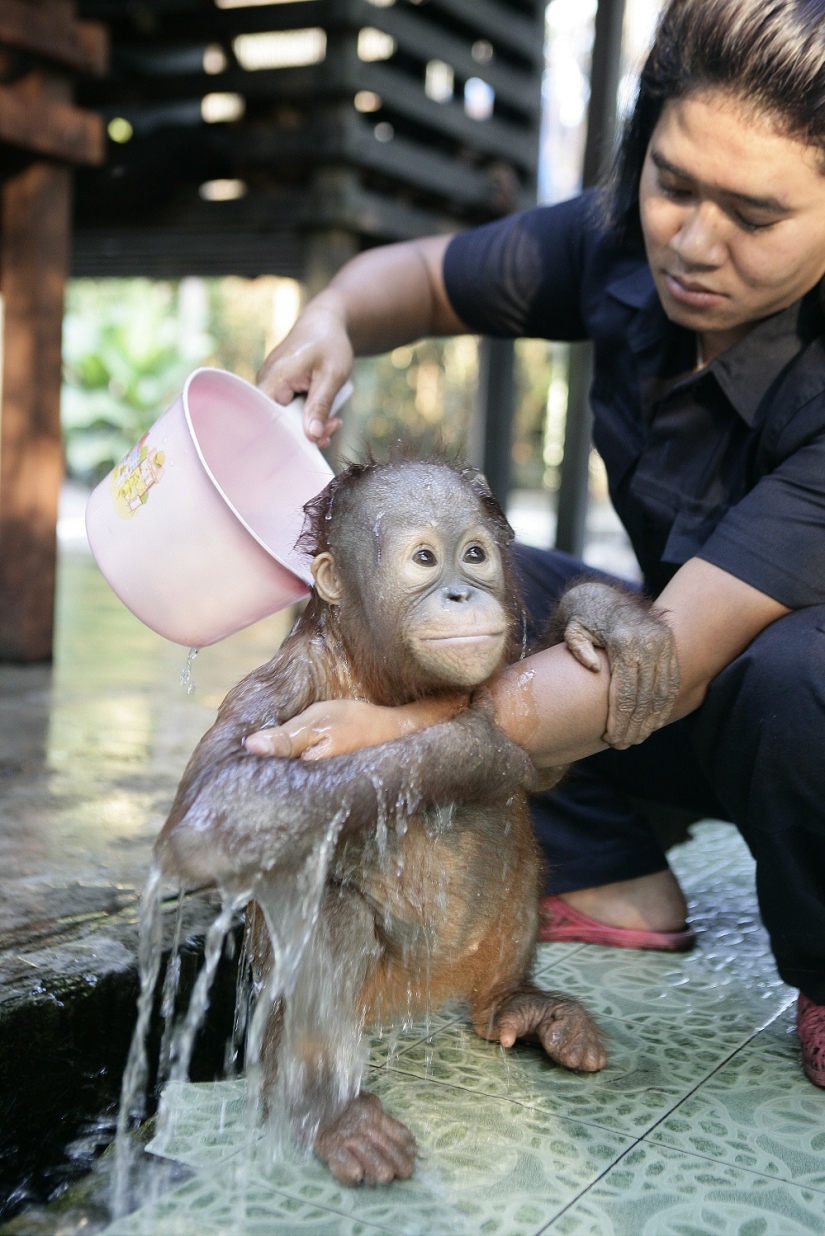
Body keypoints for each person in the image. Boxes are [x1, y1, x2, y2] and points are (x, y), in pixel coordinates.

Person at [246, 0, 825, 1088]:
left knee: (798, 677)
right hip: (700, 700)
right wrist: (330, 318)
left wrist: (400, 732)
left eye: (756, 215)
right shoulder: (621, 248)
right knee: (465, 597)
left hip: (796, 719)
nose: (693, 242)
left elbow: (670, 662)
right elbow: (423, 279)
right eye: (673, 184)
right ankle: (613, 880)